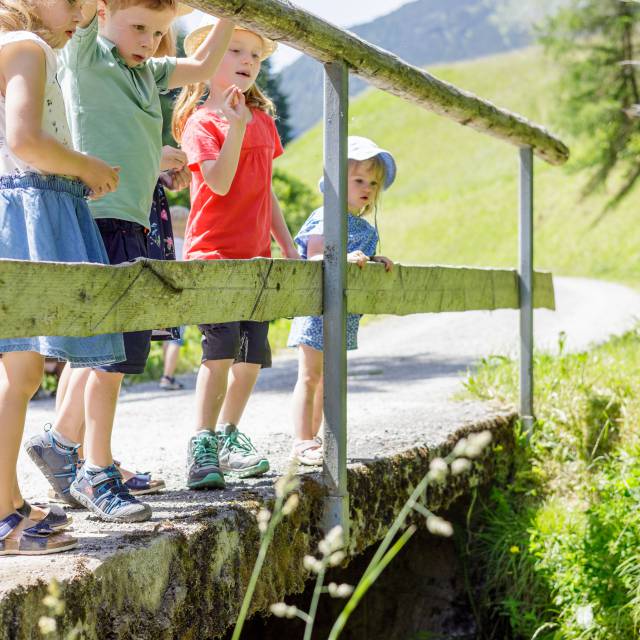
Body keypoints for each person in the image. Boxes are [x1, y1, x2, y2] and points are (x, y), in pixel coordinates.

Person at [24, 0, 234, 523]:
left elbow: (205, 68)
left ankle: (62, 447)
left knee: (107, 350)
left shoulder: (150, 72)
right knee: (111, 357)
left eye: (158, 31)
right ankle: (95, 470)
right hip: (97, 215)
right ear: (102, 13)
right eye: (137, 26)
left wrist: (230, 13)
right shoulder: (88, 53)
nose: (147, 39)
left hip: (134, 221)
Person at [0, 0, 124, 553]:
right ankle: (2, 518)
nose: (88, 10)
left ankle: (10, 499)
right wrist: (85, 166)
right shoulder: (29, 48)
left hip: (21, 209)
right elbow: (25, 142)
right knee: (20, 372)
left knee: (19, 368)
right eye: (74, 0)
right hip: (24, 213)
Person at [172, 20, 299, 490]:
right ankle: (202, 441)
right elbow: (220, 184)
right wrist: (237, 129)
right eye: (234, 51)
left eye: (255, 55)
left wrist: (285, 245)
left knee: (251, 356)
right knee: (220, 351)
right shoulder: (202, 123)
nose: (247, 61)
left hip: (256, 258)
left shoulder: (262, 120)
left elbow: (264, 191)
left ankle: (229, 434)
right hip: (214, 255)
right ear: (206, 65)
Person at [288, 137, 396, 465]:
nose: (367, 188)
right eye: (359, 180)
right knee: (309, 375)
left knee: (327, 378)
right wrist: (346, 256)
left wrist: (375, 260)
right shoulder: (327, 216)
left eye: (373, 183)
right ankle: (301, 440)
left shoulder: (363, 227)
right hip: (318, 309)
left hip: (342, 312)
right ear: (339, 183)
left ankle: (315, 439)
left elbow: (355, 260)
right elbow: (317, 255)